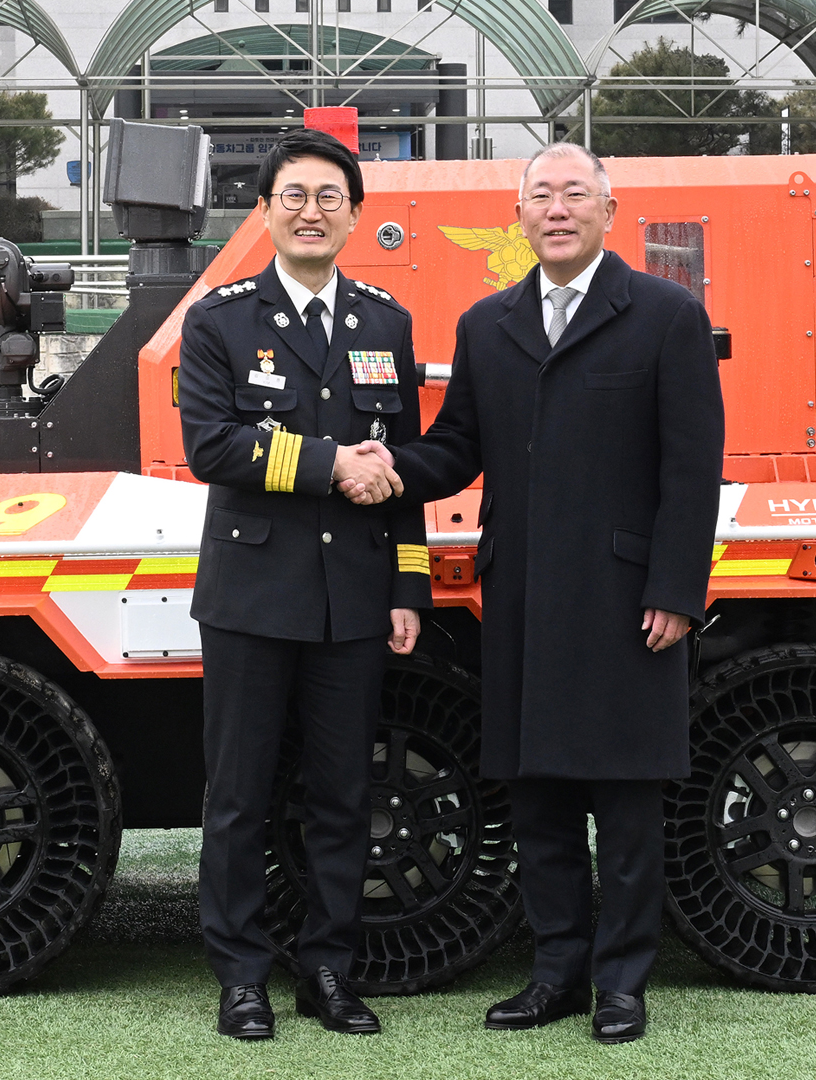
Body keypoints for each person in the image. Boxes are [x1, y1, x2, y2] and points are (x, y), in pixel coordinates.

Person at [343, 142, 724, 1044]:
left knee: (627, 805)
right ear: (520, 216)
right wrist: (385, 466)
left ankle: (623, 985)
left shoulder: (667, 316)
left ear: (607, 210)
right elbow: (457, 447)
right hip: (519, 596)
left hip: (631, 599)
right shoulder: (488, 324)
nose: (557, 209)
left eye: (574, 194)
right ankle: (556, 973)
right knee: (539, 800)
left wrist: (677, 587)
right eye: (541, 196)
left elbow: (692, 466)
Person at [178, 127, 432, 1040]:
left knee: (342, 796)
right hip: (251, 596)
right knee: (241, 795)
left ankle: (328, 970)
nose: (312, 211)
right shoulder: (220, 318)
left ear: (355, 214)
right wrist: (332, 465)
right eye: (294, 195)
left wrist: (408, 586)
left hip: (355, 598)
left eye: (331, 196)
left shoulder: (385, 323)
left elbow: (396, 466)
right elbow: (210, 445)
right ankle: (241, 976)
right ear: (266, 209)